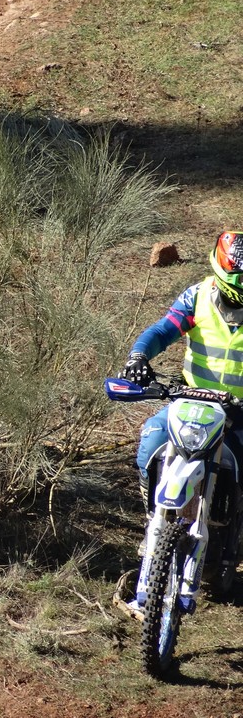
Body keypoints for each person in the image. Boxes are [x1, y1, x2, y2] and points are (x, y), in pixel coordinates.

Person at [120, 230, 243, 567]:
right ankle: (153, 521)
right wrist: (138, 357)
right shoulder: (197, 296)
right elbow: (163, 330)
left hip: (240, 413)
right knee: (152, 439)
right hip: (192, 401)